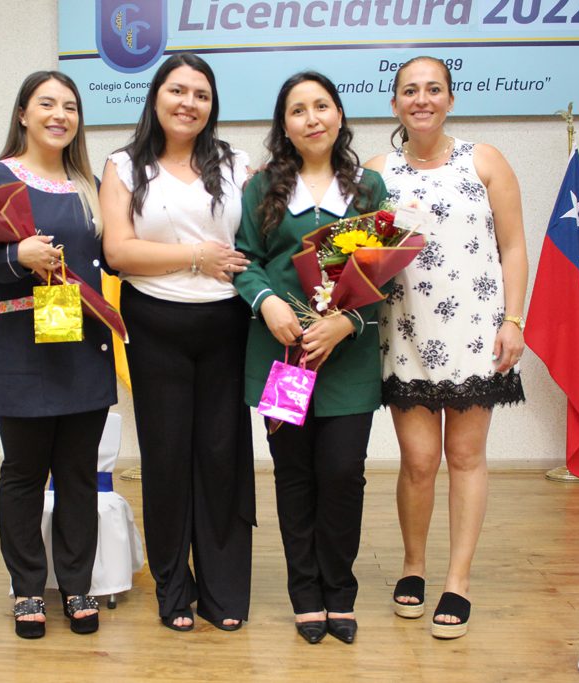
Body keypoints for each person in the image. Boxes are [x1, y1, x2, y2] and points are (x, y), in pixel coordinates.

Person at [365, 56, 527, 640]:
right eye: (410, 90)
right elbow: (359, 253)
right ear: (394, 104)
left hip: (476, 333)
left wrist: (514, 320)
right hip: (405, 330)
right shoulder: (377, 173)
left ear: (451, 99)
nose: (422, 99)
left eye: (434, 89)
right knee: (417, 461)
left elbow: (513, 246)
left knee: (464, 457)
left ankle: (458, 581)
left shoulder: (484, 161)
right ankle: (413, 566)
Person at [0, 71, 114, 639]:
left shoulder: (90, 186)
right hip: (21, 347)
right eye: (47, 103)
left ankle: (77, 585)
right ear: (23, 113)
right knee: (23, 473)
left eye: (70, 106)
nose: (59, 115)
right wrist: (16, 257)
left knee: (78, 474)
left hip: (82, 345)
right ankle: (26, 589)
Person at [99, 53, 255, 632]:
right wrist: (196, 256)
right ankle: (173, 588)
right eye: (178, 90)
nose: (189, 103)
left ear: (212, 105)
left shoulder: (236, 163)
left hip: (227, 325)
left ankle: (223, 590)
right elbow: (119, 251)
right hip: (155, 324)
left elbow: (257, 240)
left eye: (201, 94)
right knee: (165, 459)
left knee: (222, 457)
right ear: (156, 96)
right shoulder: (123, 165)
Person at [234, 71, 389, 645]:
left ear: (339, 115)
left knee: (343, 473)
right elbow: (245, 260)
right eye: (298, 110)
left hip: (348, 361)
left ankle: (339, 591)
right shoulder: (261, 189)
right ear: (285, 126)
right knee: (294, 474)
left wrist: (347, 322)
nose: (312, 118)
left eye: (321, 106)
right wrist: (267, 301)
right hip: (282, 358)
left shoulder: (369, 189)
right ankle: (306, 595)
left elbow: (389, 269)